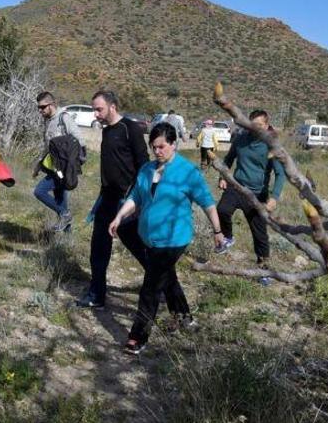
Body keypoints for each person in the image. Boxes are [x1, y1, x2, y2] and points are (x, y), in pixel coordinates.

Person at [109, 122, 226, 354]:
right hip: (149, 237)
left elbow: (208, 203)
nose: (157, 151)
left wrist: (217, 231)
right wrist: (119, 217)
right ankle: (184, 316)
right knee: (166, 276)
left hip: (174, 238)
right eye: (154, 147)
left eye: (162, 146)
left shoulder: (188, 172)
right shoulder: (147, 170)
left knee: (150, 287)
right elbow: (136, 198)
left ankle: (137, 337)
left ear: (174, 144)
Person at [76, 91, 149, 308]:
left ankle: (162, 283)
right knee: (98, 248)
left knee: (140, 248)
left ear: (113, 106)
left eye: (99, 109)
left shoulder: (130, 128)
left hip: (127, 201)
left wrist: (138, 200)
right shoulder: (107, 131)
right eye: (93, 110)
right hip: (106, 198)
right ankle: (97, 295)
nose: (95, 114)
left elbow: (144, 165)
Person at [216, 109, 286, 266]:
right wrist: (222, 177)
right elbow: (228, 160)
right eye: (252, 125)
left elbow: (280, 174)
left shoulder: (271, 146)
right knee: (222, 210)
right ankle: (228, 237)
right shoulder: (241, 139)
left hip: (257, 194)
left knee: (260, 234)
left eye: (259, 125)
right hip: (236, 186)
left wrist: (274, 197)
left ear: (267, 126)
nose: (255, 128)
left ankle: (264, 268)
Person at [33, 91, 84, 232]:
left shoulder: (64, 118)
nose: (40, 110)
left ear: (52, 104)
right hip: (54, 169)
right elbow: (47, 147)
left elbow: (79, 140)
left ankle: (65, 215)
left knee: (39, 191)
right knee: (61, 202)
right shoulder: (47, 121)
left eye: (42, 107)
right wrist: (38, 165)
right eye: (38, 107)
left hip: (64, 169)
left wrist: (72, 164)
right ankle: (67, 241)